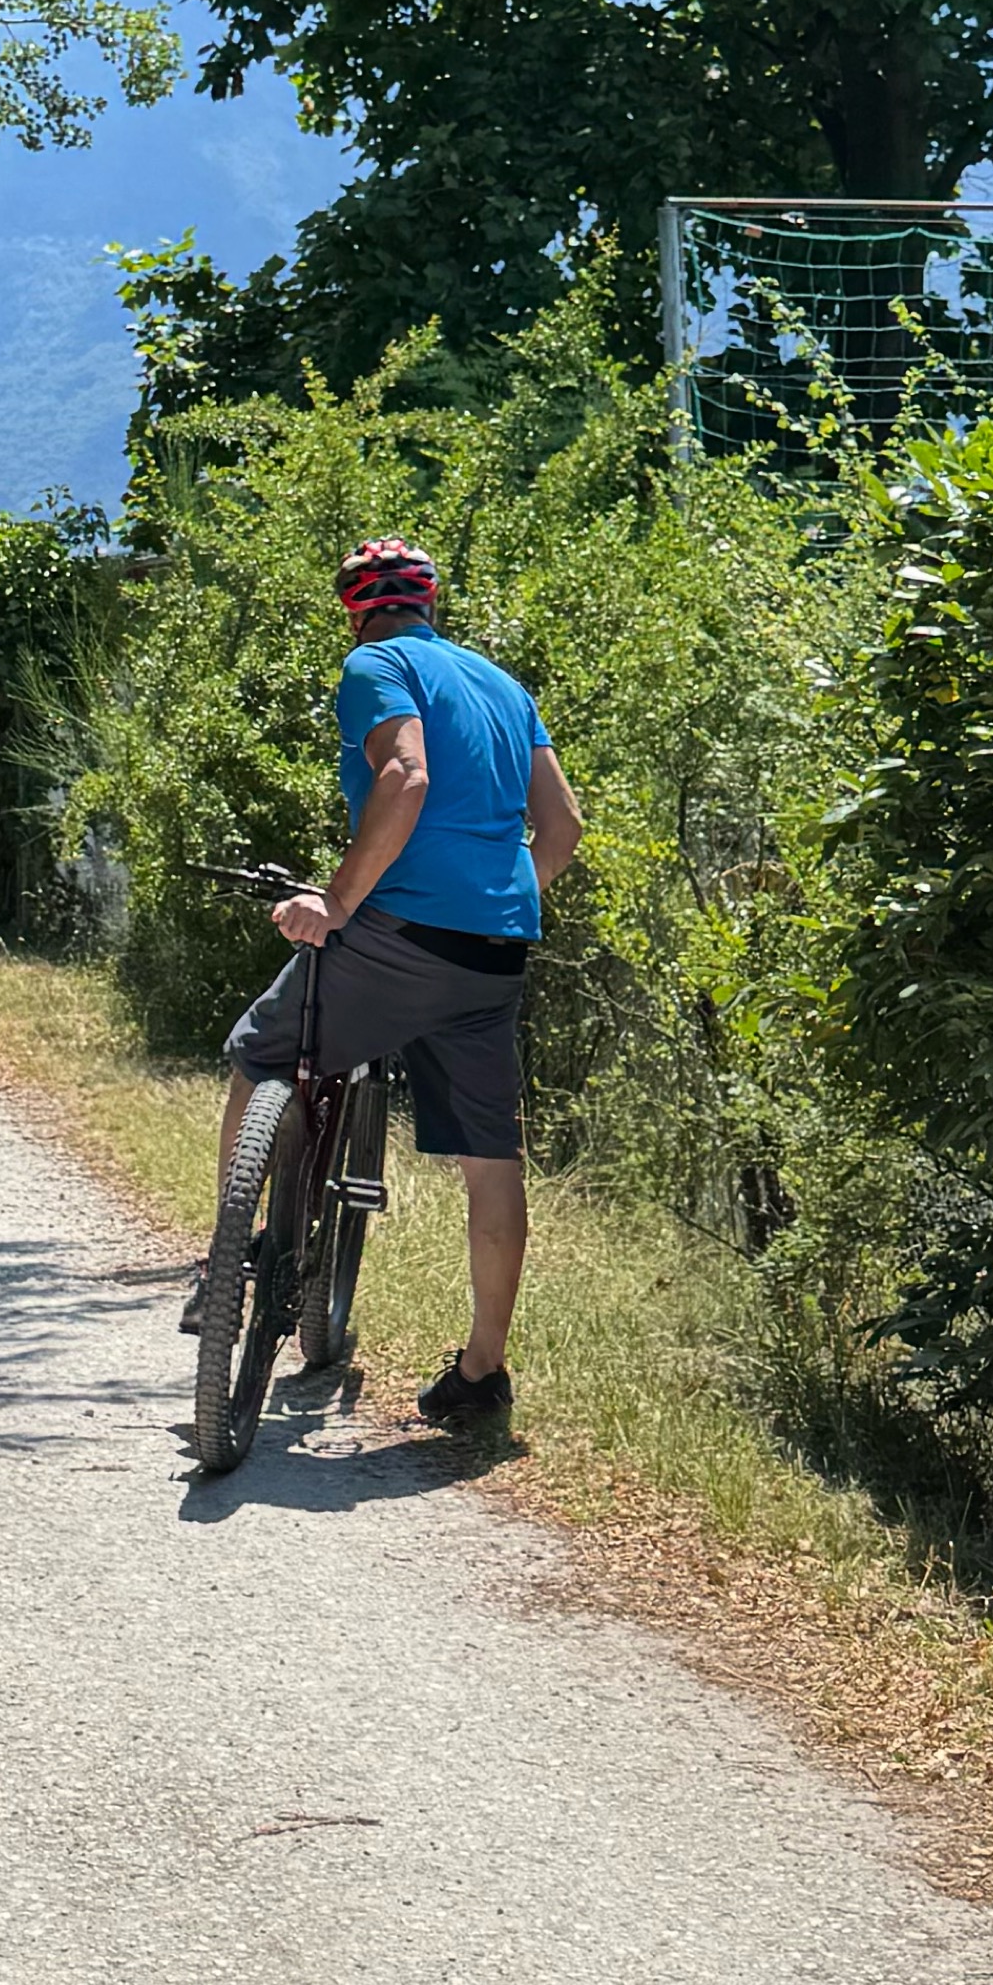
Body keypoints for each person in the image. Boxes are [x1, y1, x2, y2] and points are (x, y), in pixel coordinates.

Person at [215, 532, 583, 1434]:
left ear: (357, 610)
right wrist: (494, 902)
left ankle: (227, 1266)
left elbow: (405, 775)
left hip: (398, 937)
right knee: (491, 1159)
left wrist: (336, 905)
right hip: (495, 950)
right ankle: (482, 1373)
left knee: (260, 1053)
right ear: (433, 602)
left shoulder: (375, 664)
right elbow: (564, 825)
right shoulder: (503, 686)